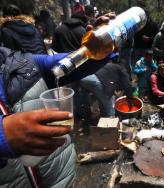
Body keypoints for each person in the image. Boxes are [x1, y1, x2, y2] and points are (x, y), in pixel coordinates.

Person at [0, 13, 117, 187]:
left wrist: (100, 46)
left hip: (62, 178)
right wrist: (3, 136)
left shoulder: (19, 63)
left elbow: (68, 64)